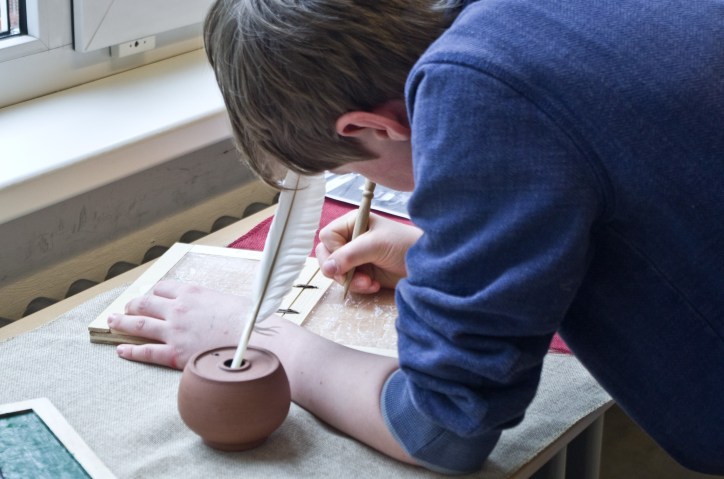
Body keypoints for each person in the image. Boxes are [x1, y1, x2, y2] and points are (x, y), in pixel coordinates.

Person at [106, 0, 724, 474]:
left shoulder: (479, 86)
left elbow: (441, 430)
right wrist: (437, 254)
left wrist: (272, 344)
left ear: (373, 126)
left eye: (354, 169)